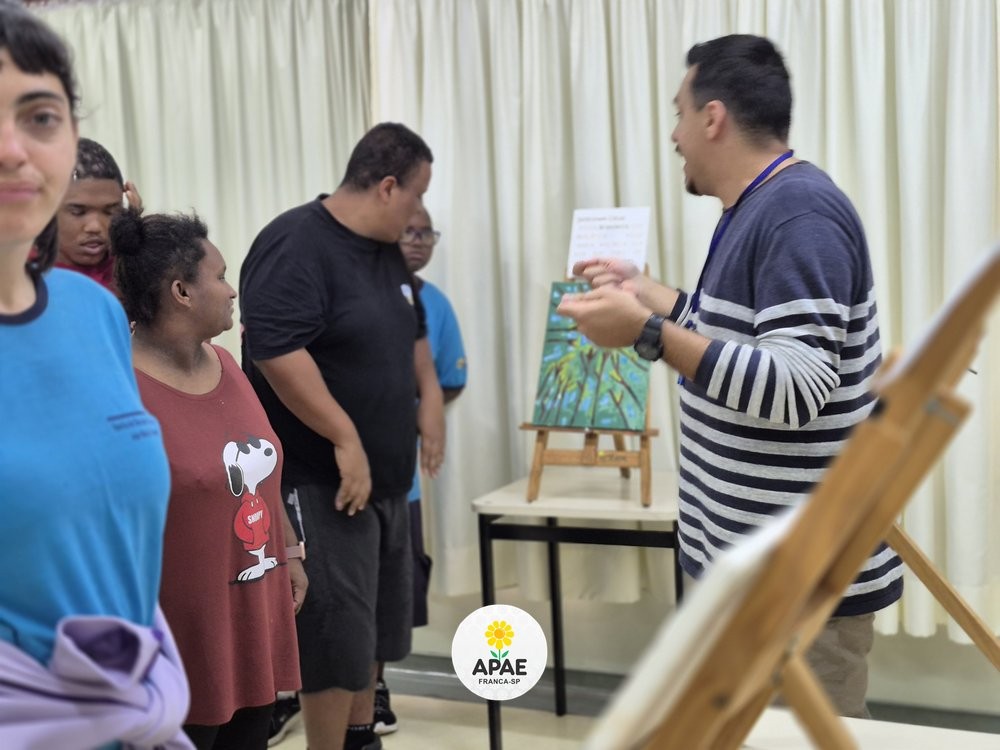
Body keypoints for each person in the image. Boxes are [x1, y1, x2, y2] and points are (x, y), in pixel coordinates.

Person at [557, 34, 901, 720]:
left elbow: (795, 388)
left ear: (712, 118)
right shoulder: (760, 206)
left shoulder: (799, 214)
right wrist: (651, 294)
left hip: (793, 582)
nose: (674, 135)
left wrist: (645, 332)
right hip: (749, 570)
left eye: (679, 113)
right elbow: (738, 339)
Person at [0, 3, 190, 748]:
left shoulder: (94, 312)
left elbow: (109, 554)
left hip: (130, 715)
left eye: (40, 116)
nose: (13, 150)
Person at [240, 122, 445, 750]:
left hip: (385, 480)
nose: (418, 212)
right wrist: (344, 437)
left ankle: (361, 736)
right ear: (387, 187)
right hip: (321, 480)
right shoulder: (294, 244)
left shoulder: (384, 251)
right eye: (416, 196)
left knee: (374, 629)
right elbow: (275, 349)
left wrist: (432, 401)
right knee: (334, 638)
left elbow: (411, 330)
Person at [111, 208, 307, 750]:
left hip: (250, 610)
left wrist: (290, 552)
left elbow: (259, 473)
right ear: (181, 291)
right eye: (219, 276)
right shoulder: (118, 387)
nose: (232, 290)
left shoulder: (227, 363)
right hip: (177, 633)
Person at [373, 207, 467, 736]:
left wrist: (416, 413)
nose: (417, 240)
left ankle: (375, 688)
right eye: (408, 230)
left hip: (399, 476)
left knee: (392, 587)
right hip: (335, 471)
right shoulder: (354, 293)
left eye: (426, 232)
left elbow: (449, 378)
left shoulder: (435, 304)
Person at [55, 136, 141, 293]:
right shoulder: (20, 280)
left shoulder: (135, 270)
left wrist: (134, 238)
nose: (95, 227)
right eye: (78, 212)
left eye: (111, 212)